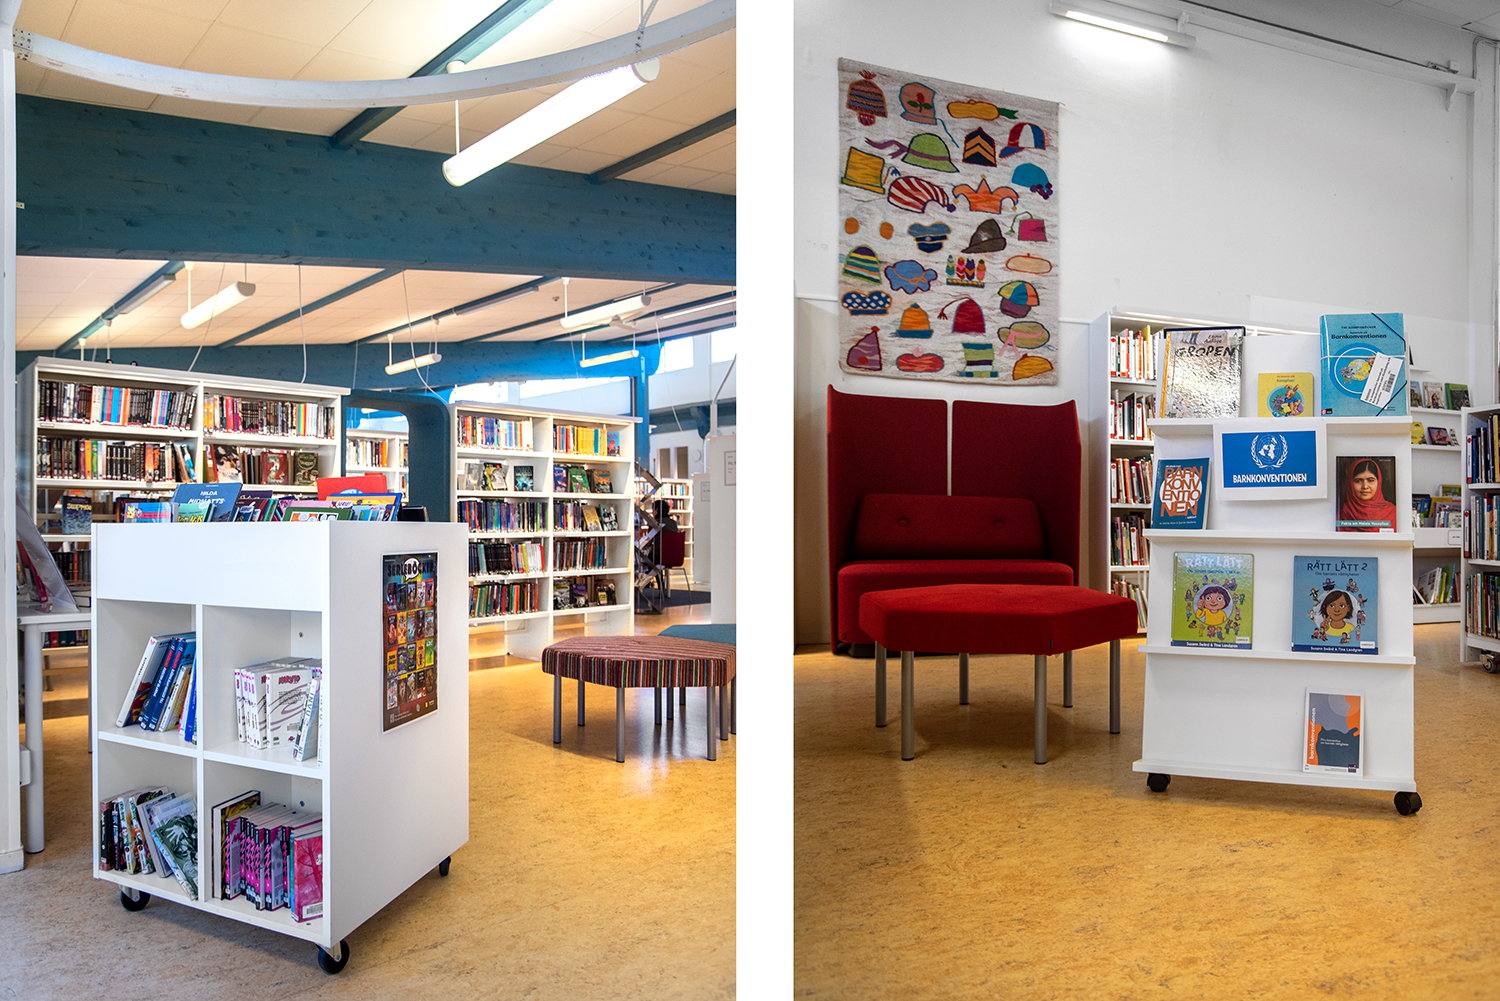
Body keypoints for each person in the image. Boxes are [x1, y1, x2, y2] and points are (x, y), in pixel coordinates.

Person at [1338, 458, 1397, 532]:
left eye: (1370, 480)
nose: (1365, 486)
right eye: (1358, 481)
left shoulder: (1393, 513)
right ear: (1350, 484)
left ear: (1378, 482)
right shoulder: (1341, 517)